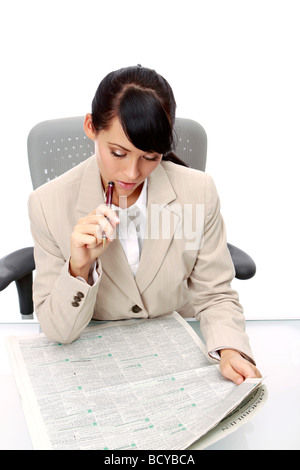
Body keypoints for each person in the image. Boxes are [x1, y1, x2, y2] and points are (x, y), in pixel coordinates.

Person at [28, 65, 261, 385]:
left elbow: (215, 295)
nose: (132, 173)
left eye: (150, 157)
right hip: (97, 360)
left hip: (179, 353)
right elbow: (58, 332)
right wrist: (79, 269)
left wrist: (231, 350)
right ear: (90, 127)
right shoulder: (47, 204)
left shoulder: (197, 192)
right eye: (118, 153)